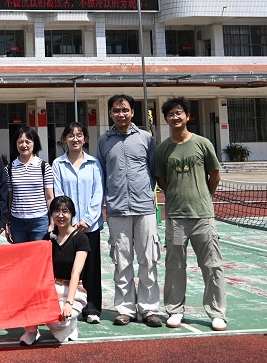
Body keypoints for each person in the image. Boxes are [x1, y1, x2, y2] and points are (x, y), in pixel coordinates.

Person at [154, 96, 227, 331]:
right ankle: (175, 310)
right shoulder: (163, 149)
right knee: (175, 266)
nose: (175, 117)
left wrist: (204, 195)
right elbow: (161, 180)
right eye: (171, 114)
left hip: (203, 215)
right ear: (166, 119)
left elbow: (214, 174)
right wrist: (177, 195)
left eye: (179, 113)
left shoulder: (203, 143)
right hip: (176, 216)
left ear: (187, 116)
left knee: (212, 265)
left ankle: (217, 313)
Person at [96, 94, 163, 327]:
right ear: (110, 113)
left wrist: (145, 194)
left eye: (125, 110)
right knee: (122, 261)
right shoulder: (103, 141)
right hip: (117, 210)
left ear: (133, 112)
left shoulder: (146, 138)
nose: (121, 114)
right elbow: (102, 174)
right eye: (116, 110)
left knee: (148, 259)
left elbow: (153, 170)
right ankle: (125, 309)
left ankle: (149, 309)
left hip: (144, 208)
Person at [52, 121, 104, 324]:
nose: (75, 139)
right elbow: (59, 195)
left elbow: (98, 193)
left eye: (79, 135)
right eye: (71, 135)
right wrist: (69, 221)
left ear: (85, 138)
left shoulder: (94, 164)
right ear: (64, 139)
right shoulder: (58, 164)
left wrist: (88, 220)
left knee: (91, 268)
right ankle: (67, 305)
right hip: (67, 227)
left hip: (90, 226)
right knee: (68, 268)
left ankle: (91, 309)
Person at [19, 195, 89, 345]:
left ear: (72, 214)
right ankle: (31, 331)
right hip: (51, 288)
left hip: (72, 289)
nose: (61, 215)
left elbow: (75, 273)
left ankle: (70, 325)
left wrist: (69, 303)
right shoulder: (48, 238)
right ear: (51, 214)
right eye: (57, 211)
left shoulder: (81, 239)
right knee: (30, 294)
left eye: (65, 211)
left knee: (58, 321)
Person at [6, 126, 54, 244]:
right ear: (15, 144)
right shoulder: (9, 169)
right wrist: (7, 222)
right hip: (17, 222)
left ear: (34, 143)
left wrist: (52, 222)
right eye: (20, 142)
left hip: (40, 221)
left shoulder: (44, 167)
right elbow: (9, 198)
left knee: (38, 254)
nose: (24, 145)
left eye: (28, 141)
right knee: (20, 254)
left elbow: (50, 198)